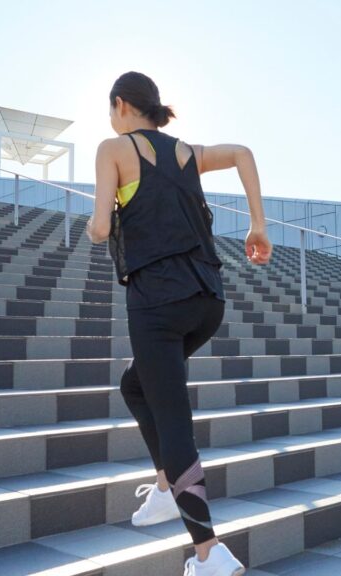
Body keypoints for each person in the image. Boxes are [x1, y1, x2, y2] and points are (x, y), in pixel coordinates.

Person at [86, 71, 271, 576]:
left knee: (172, 420)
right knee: (136, 385)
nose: (109, 120)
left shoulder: (113, 148)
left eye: (110, 111)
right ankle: (168, 487)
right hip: (206, 300)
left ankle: (209, 552)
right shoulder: (187, 152)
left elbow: (101, 229)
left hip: (157, 304)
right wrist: (258, 224)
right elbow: (243, 154)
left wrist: (97, 221)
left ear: (122, 105)